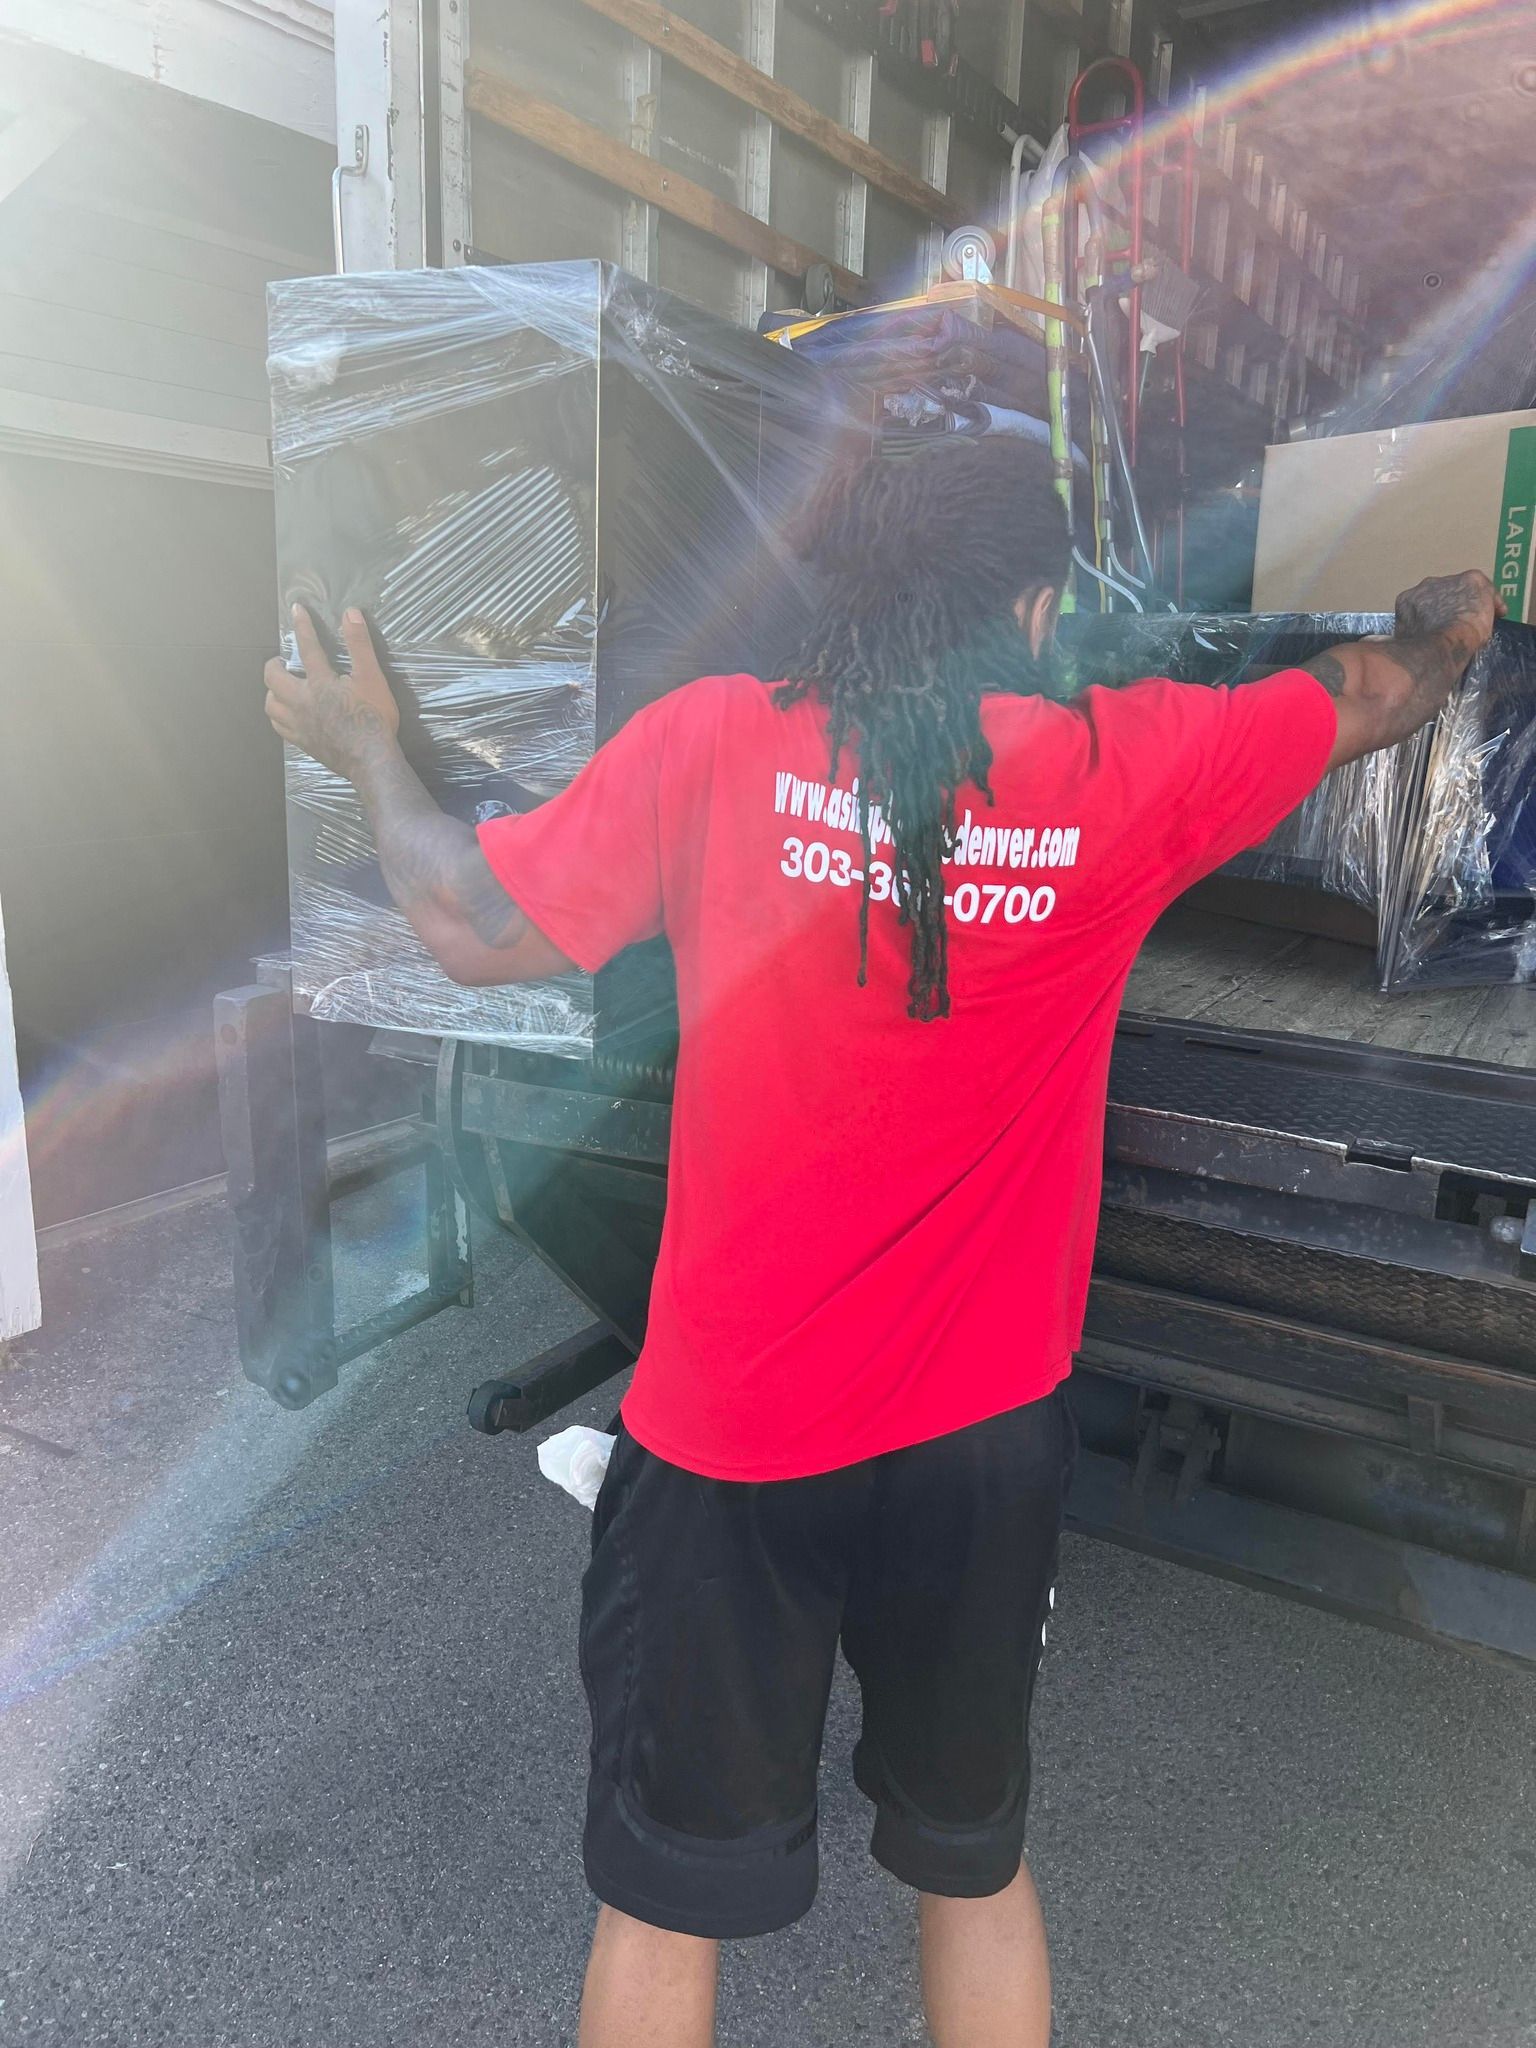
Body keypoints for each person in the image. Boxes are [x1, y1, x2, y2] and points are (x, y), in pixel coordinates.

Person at [264, 437, 1501, 2048]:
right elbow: (1363, 696)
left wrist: (371, 750)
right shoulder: (1134, 767)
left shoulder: (712, 748)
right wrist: (1445, 629)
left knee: (662, 1898)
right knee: (970, 1868)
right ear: (1044, 605)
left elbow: (462, 925)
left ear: (837, 597)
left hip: (733, 1448)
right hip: (985, 1439)